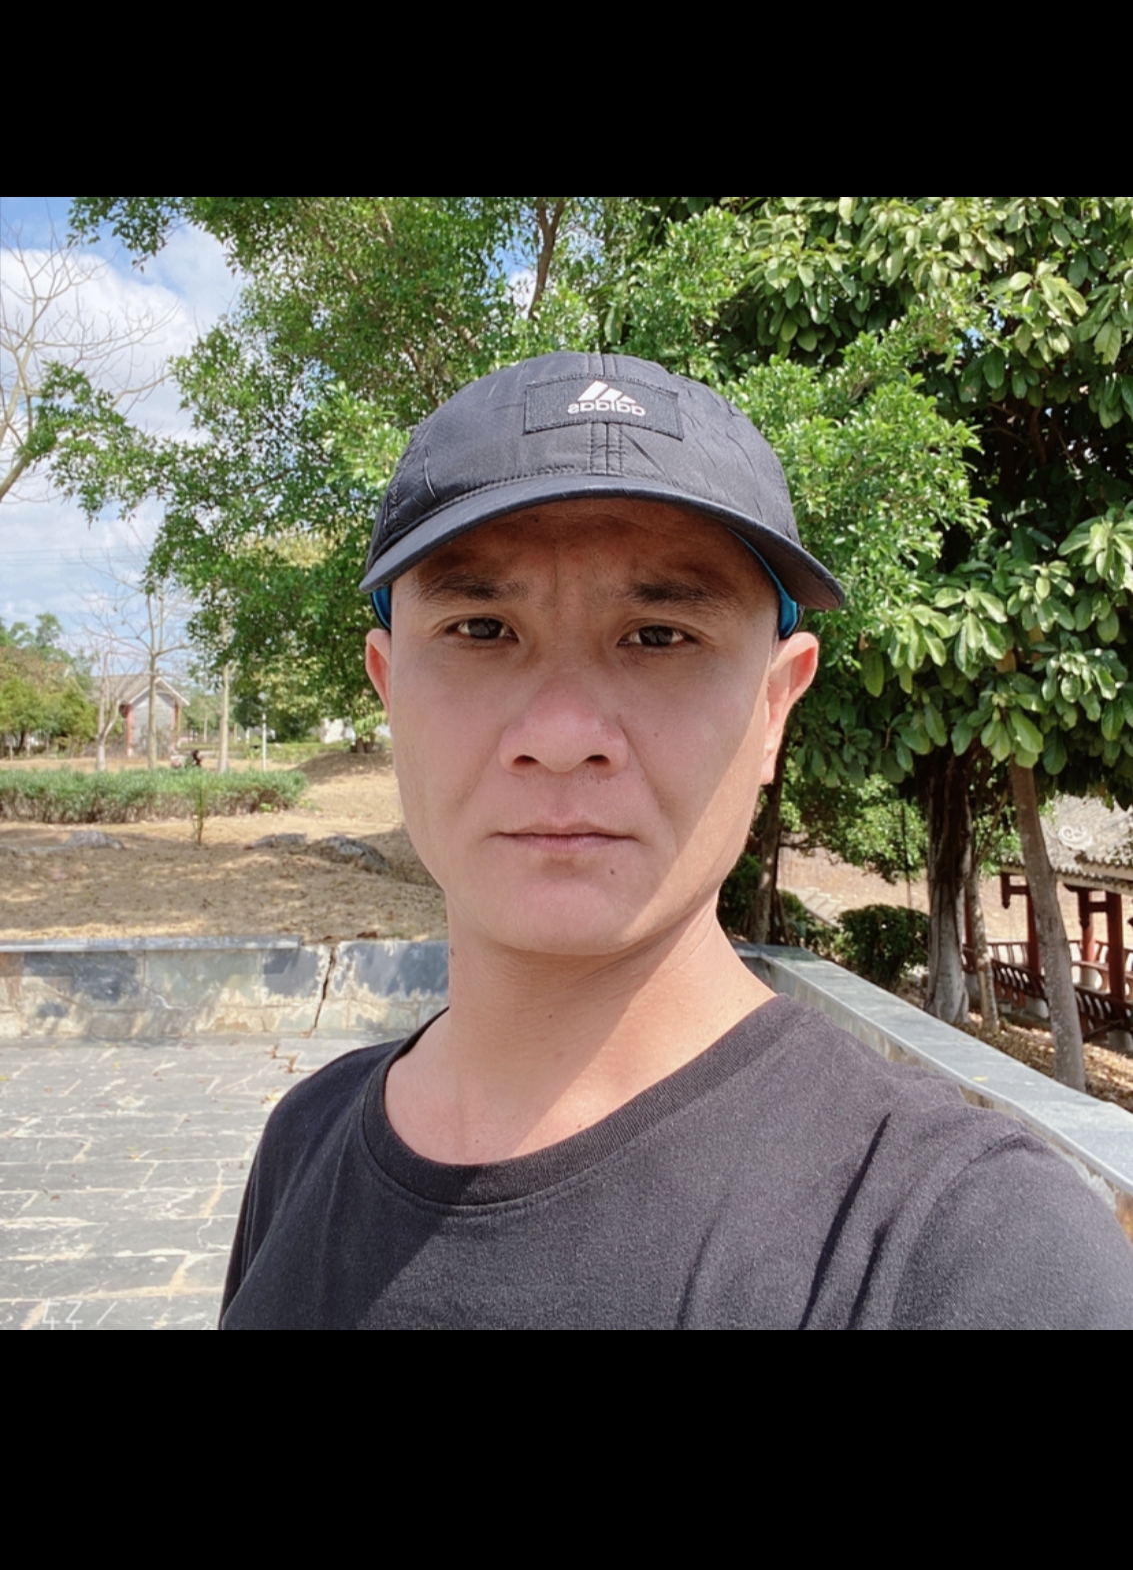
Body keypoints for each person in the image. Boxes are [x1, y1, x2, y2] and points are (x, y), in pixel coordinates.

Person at [219, 348, 1133, 1329]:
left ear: (774, 705)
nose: (561, 734)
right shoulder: (302, 1141)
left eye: (659, 636)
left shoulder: (972, 1247)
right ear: (389, 686)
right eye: (481, 628)